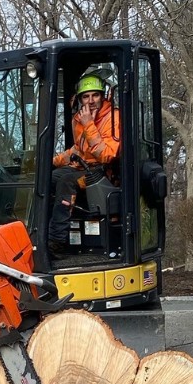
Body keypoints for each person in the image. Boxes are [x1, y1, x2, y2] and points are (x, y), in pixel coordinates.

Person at [48, 74, 121, 259]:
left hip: (103, 171)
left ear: (102, 96)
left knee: (66, 181)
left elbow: (106, 154)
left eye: (95, 95)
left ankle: (57, 242)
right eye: (86, 97)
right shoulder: (78, 119)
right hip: (83, 166)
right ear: (80, 99)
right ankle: (44, 231)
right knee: (46, 179)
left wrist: (89, 124)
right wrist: (52, 162)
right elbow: (79, 149)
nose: (91, 101)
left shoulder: (112, 118)